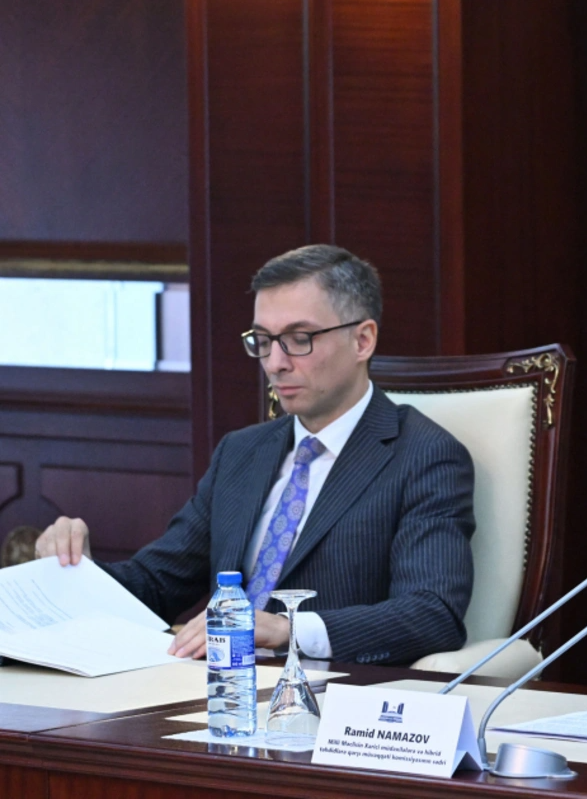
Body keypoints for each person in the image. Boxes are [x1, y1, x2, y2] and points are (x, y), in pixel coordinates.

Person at [36, 244, 475, 666]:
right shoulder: (242, 452)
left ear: (363, 340)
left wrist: (288, 630)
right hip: (212, 687)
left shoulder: (424, 456)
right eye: (263, 340)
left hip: (331, 696)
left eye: (299, 339)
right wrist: (76, 573)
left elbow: (432, 614)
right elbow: (158, 583)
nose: (275, 363)